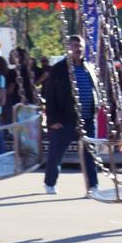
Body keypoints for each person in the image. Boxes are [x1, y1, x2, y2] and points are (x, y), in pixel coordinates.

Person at [41, 35, 98, 194]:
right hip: (65, 118)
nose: (77, 49)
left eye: (79, 46)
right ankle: (50, 183)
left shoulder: (89, 67)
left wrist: (98, 105)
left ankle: (92, 186)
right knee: (56, 152)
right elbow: (50, 95)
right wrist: (53, 119)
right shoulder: (59, 69)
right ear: (68, 48)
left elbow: (95, 89)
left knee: (90, 154)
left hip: (87, 118)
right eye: (73, 45)